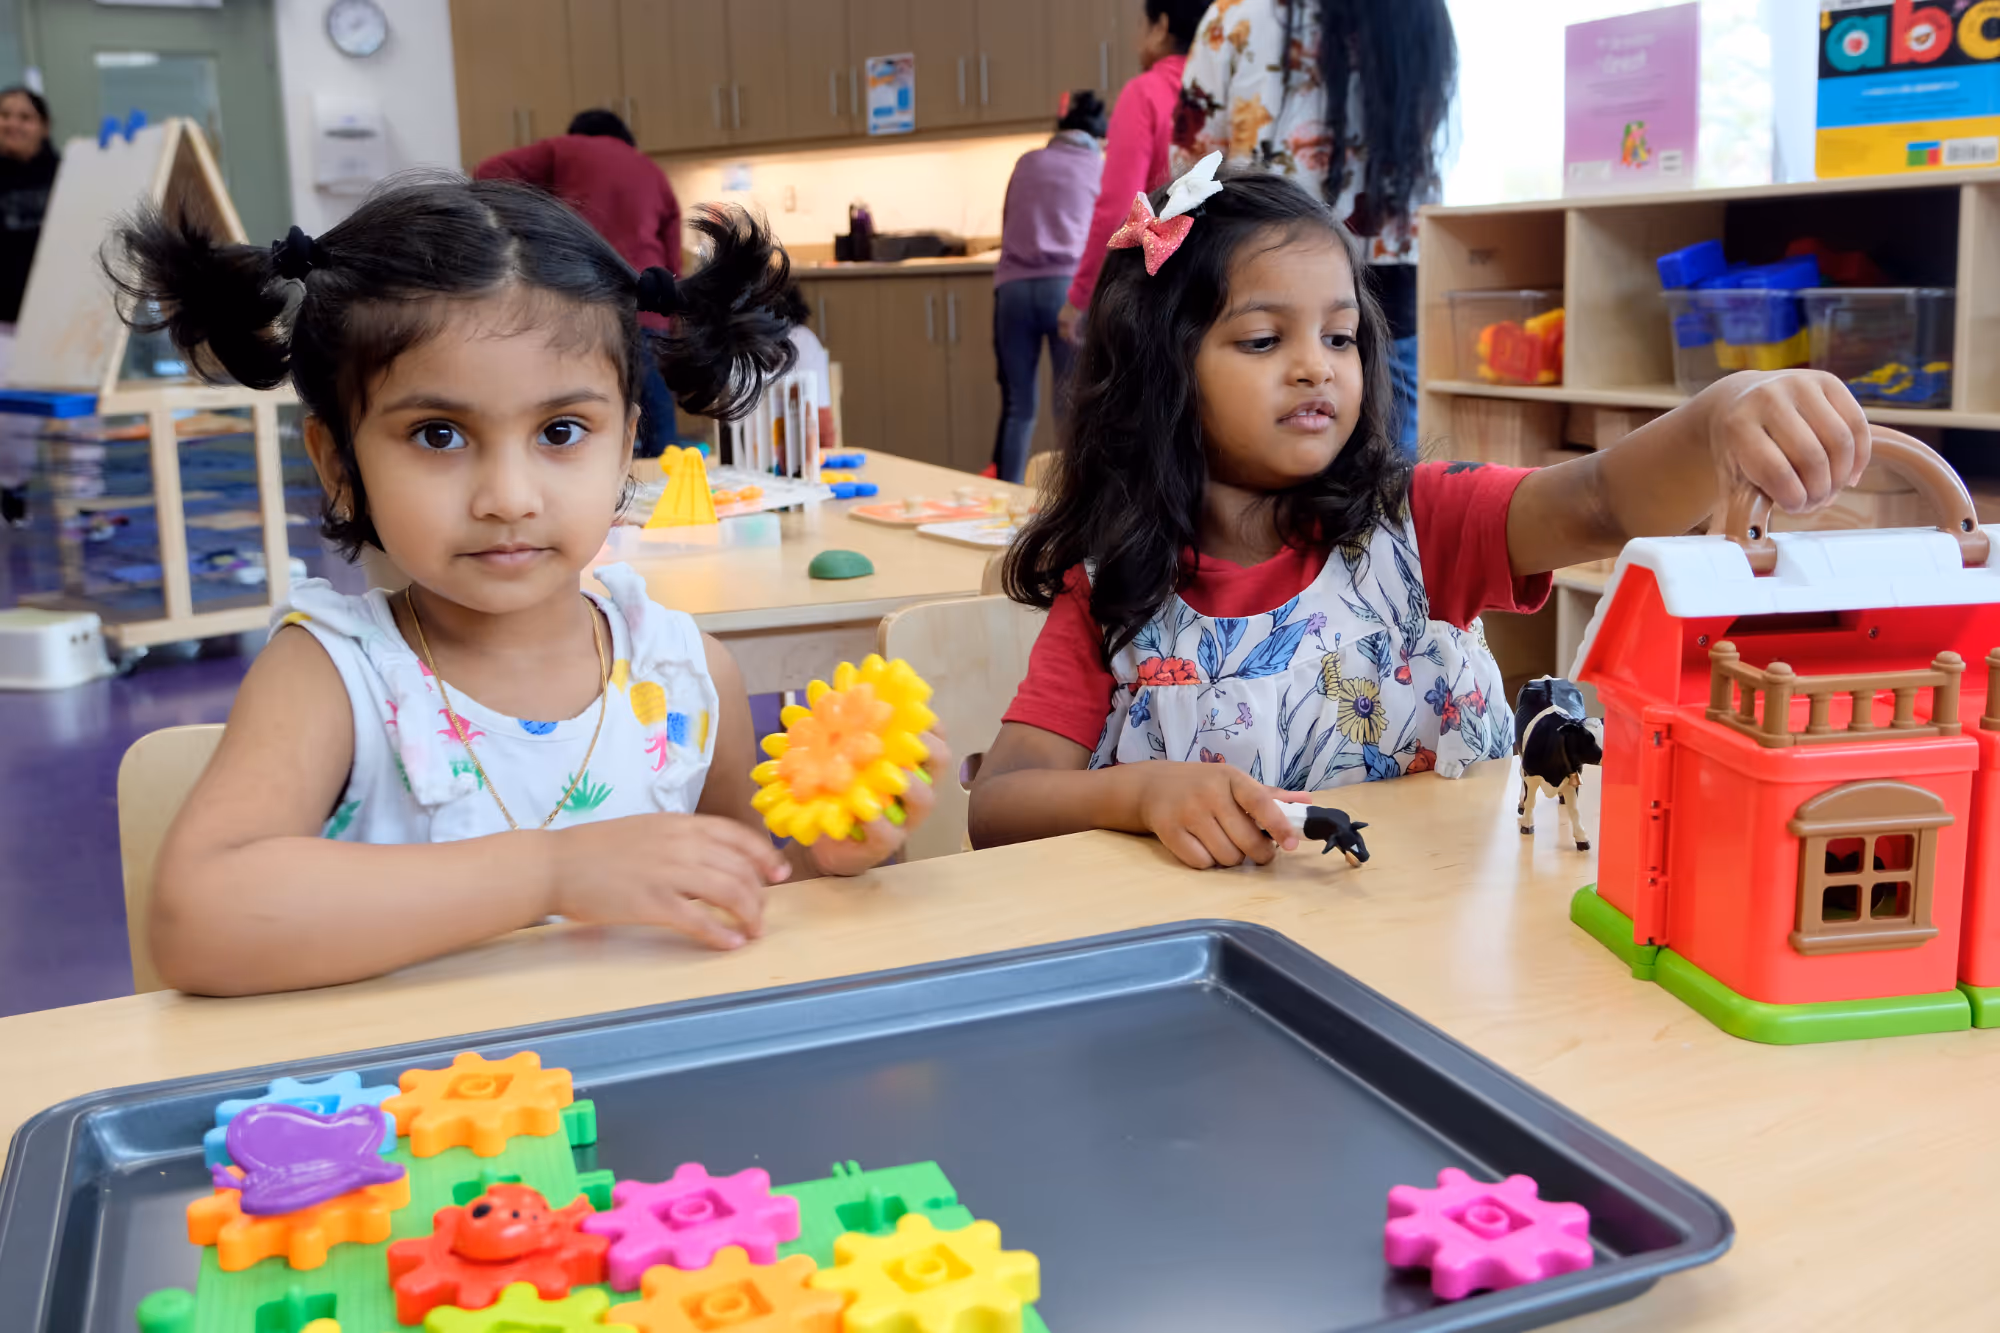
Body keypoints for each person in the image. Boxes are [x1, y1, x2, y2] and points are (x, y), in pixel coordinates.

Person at [108, 177, 947, 996]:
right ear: (339, 461)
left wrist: (825, 857)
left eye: (560, 431)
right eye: (438, 434)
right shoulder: (335, 675)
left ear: (627, 445)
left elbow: (736, 898)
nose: (508, 495)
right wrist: (549, 873)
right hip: (412, 1113)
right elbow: (197, 922)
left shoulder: (683, 676)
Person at [966, 166, 1872, 870]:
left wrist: (1719, 419)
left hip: (1439, 958)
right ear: (1163, 372)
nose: (1318, 367)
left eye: (1339, 336)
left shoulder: (1420, 522)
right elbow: (999, 804)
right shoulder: (1115, 588)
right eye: (1262, 339)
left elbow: (1598, 501)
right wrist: (1141, 794)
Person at [1171, 0, 1458, 457]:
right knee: (1389, 472)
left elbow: (1192, 168)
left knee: (1270, 457)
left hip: (1260, 274)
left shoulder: (1239, 13)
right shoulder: (1416, 12)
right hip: (1393, 277)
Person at [475, 109, 684, 457]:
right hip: (648, 301)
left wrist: (539, 223)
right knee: (655, 405)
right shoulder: (650, 170)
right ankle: (670, 485)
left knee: (581, 403)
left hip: (584, 296)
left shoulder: (563, 150)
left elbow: (488, 172)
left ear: (577, 134)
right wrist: (672, 312)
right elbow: (673, 257)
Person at [1060, 0, 1210, 346]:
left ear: (1161, 26)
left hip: (1159, 291)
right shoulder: (1222, 94)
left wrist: (1080, 297)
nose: (1135, 41)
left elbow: (1118, 209)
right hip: (1220, 280)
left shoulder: (1145, 93)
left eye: (1142, 27)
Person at [989, 91, 1106, 484]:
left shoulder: (1027, 161)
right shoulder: (1096, 166)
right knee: (1068, 406)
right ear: (1096, 136)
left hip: (1014, 291)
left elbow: (1007, 224)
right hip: (1066, 291)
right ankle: (1069, 498)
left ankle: (1004, 501)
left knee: (1019, 407)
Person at [0, 86, 56, 528]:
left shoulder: (67, 174)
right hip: (6, 321)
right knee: (11, 419)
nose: (13, 123)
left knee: (80, 419)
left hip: (60, 322)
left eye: (24, 116)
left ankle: (84, 504)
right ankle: (11, 492)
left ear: (43, 126)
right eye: (4, 114)